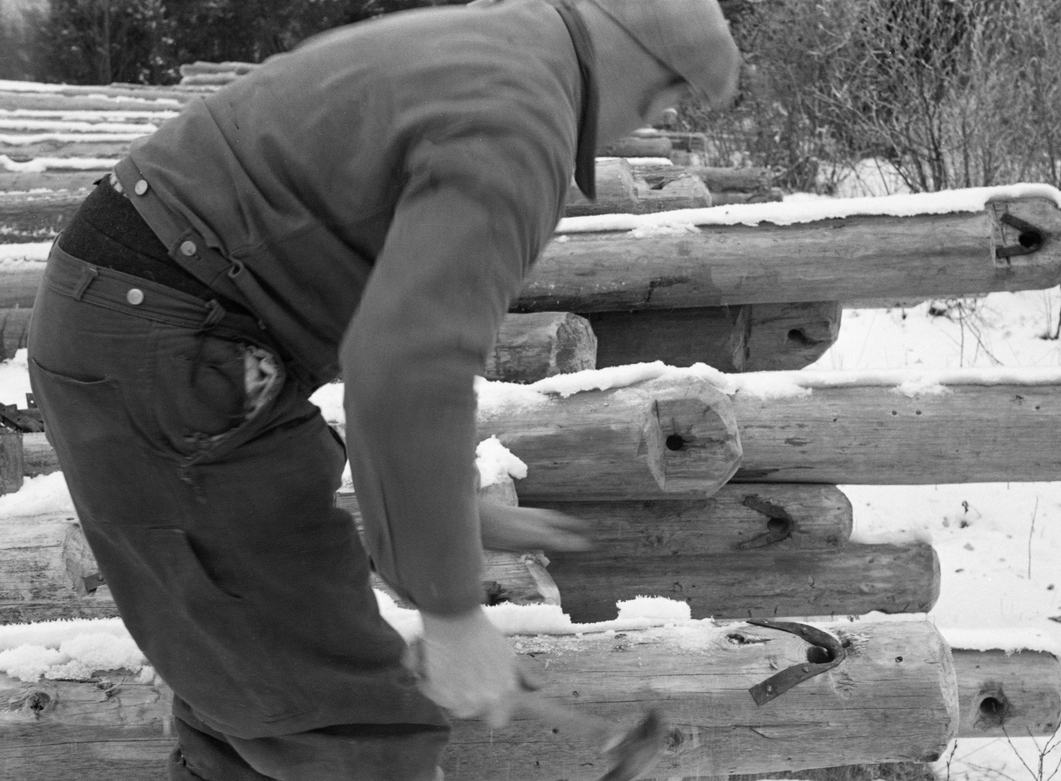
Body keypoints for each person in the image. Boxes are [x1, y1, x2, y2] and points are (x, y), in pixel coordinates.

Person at [27, 0, 740, 778]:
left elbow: (402, 317)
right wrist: (451, 608)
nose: (647, 121)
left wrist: (446, 508)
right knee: (346, 725)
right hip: (169, 346)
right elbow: (407, 363)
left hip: (159, 333)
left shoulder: (494, 52)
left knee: (260, 689)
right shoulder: (521, 124)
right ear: (651, 67)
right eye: (669, 97)